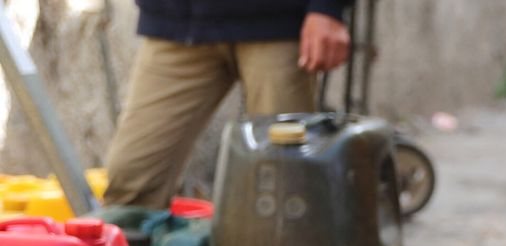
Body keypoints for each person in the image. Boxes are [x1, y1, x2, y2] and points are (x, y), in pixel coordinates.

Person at [103, 1, 351, 209]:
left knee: (285, 191)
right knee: (130, 180)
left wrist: (327, 8)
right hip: (176, 24)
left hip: (276, 23)